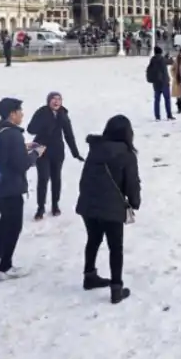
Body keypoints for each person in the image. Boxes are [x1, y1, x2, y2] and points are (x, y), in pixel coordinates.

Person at [75, 114, 141, 304]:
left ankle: (89, 276)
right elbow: (132, 183)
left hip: (88, 205)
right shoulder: (126, 155)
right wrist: (134, 202)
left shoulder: (94, 150)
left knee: (93, 240)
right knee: (115, 248)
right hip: (111, 207)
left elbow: (84, 178)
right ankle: (116, 289)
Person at [0, 97, 45, 280]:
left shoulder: (0, 130)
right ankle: (5, 268)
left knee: (5, 219)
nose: (22, 114)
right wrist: (35, 154)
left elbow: (6, 153)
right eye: (20, 111)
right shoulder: (13, 134)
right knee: (14, 225)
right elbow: (21, 164)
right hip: (10, 187)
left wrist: (23, 147)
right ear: (12, 114)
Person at [26, 92, 83, 220]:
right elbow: (31, 129)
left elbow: (69, 134)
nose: (56, 102)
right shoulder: (41, 112)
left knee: (56, 178)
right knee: (43, 178)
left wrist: (75, 153)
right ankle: (40, 208)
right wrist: (44, 123)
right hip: (42, 150)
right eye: (53, 99)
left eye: (59, 99)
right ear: (48, 101)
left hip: (57, 151)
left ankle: (55, 205)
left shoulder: (63, 114)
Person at [145, 46, 174, 120]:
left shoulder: (153, 59)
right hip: (164, 82)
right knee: (167, 99)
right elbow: (171, 62)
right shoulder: (162, 59)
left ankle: (157, 116)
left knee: (157, 100)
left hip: (156, 83)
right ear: (161, 52)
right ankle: (169, 115)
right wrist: (169, 57)